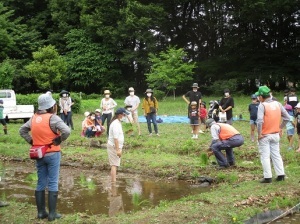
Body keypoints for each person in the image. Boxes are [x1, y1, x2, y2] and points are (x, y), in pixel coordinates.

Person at [19, 93, 70, 221]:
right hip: (53, 154)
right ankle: (52, 214)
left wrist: (32, 142)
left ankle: (41, 212)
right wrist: (59, 139)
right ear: (51, 106)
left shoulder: (34, 118)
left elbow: (22, 130)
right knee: (53, 182)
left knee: (41, 181)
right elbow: (67, 131)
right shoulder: (53, 118)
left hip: (39, 154)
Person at [255, 85, 290, 183]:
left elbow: (259, 121)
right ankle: (281, 175)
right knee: (276, 155)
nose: (258, 98)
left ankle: (268, 177)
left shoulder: (262, 105)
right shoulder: (278, 104)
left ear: (262, 96)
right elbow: (287, 117)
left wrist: (259, 134)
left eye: (259, 96)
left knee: (265, 156)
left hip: (265, 135)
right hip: (276, 135)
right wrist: (280, 128)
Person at [107, 108, 129, 182]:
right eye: (124, 115)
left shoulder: (118, 122)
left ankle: (113, 181)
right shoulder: (115, 124)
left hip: (116, 146)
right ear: (120, 115)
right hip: (114, 146)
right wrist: (118, 150)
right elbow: (115, 138)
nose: (125, 116)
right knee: (114, 165)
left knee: (115, 164)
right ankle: (113, 182)